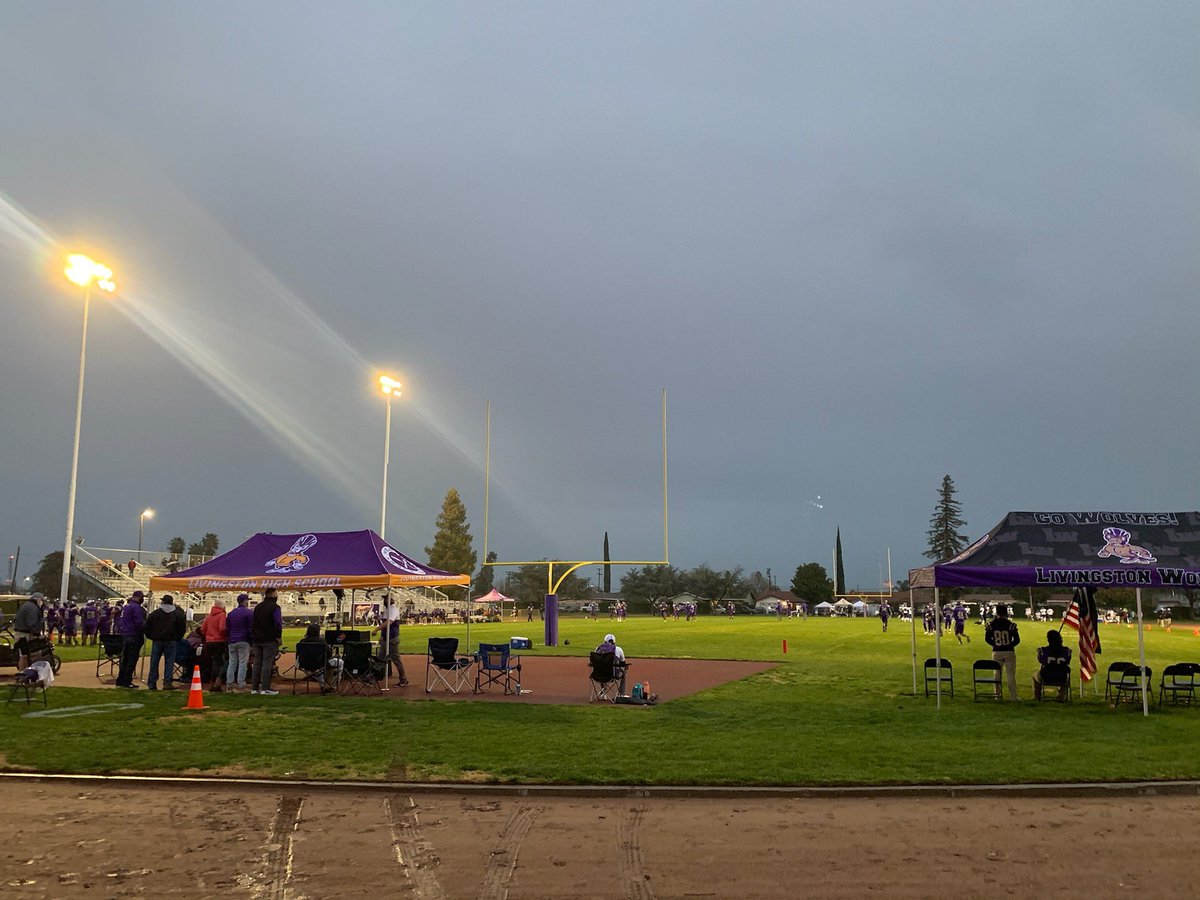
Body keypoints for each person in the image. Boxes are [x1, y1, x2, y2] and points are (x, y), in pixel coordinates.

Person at [144, 594, 187, 690]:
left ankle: (152, 682)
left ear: (163, 602)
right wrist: (177, 638)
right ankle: (167, 682)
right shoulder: (177, 614)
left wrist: (151, 636)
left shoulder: (155, 613)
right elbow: (182, 629)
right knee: (169, 662)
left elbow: (147, 626)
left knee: (154, 662)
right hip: (171, 641)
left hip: (157, 640)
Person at [985, 602, 1021, 700]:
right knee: (1010, 675)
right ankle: (1013, 696)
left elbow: (987, 639)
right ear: (1006, 613)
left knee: (997, 674)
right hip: (1009, 651)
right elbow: (1017, 640)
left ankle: (998, 695)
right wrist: (1009, 645)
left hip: (997, 651)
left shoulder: (991, 624)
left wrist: (995, 644)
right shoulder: (1010, 624)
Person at [250, 588, 283, 695]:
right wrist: (278, 636)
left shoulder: (258, 607)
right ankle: (265, 688)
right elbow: (278, 623)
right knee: (267, 664)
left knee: (257, 663)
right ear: (273, 594)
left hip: (257, 638)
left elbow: (253, 623)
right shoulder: (275, 607)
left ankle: (254, 688)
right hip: (269, 639)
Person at [114, 591, 147, 689]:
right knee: (131, 659)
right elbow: (138, 622)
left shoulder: (126, 606)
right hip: (134, 635)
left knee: (125, 659)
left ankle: (120, 680)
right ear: (136, 597)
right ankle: (127, 681)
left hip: (125, 634)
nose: (142, 599)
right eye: (141, 597)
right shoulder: (136, 607)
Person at [296, 623, 342, 693]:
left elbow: (298, 655)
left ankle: (323, 685)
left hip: (305, 664)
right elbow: (329, 656)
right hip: (321, 664)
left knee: (317, 668)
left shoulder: (302, 642)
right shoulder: (322, 641)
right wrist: (334, 656)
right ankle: (332, 685)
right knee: (340, 662)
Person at [374, 593, 408, 686]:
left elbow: (389, 622)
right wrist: (382, 635)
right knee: (380, 658)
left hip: (392, 638)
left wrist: (377, 629)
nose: (384, 601)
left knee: (395, 659)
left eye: (386, 599)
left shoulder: (393, 610)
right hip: (386, 638)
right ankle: (374, 677)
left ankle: (403, 678)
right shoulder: (388, 609)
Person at [1033, 629, 1072, 701]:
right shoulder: (1066, 650)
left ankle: (1037, 696)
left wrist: (1038, 653)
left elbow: (1041, 660)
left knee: (1034, 675)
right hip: (1061, 678)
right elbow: (1068, 661)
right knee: (1067, 676)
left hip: (1046, 677)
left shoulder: (1044, 650)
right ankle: (1061, 696)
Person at [225, 594, 253, 691]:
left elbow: (227, 628)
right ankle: (241, 683)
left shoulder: (231, 613)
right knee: (242, 662)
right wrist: (251, 641)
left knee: (232, 662)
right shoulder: (248, 613)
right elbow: (250, 628)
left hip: (232, 640)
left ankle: (229, 683)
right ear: (244, 601)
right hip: (243, 640)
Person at [199, 599, 229, 691]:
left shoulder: (209, 617)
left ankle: (211, 682)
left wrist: (209, 635)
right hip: (219, 641)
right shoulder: (222, 615)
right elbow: (222, 628)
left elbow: (202, 629)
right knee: (220, 663)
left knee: (213, 662)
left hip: (209, 642)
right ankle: (216, 683)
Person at [12, 592, 46, 670]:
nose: (42, 602)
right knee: (30, 655)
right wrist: (37, 634)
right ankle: (29, 673)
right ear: (37, 599)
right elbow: (32, 623)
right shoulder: (33, 608)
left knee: (23, 655)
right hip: (25, 634)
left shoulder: (26, 605)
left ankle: (22, 673)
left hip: (20, 633)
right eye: (41, 600)